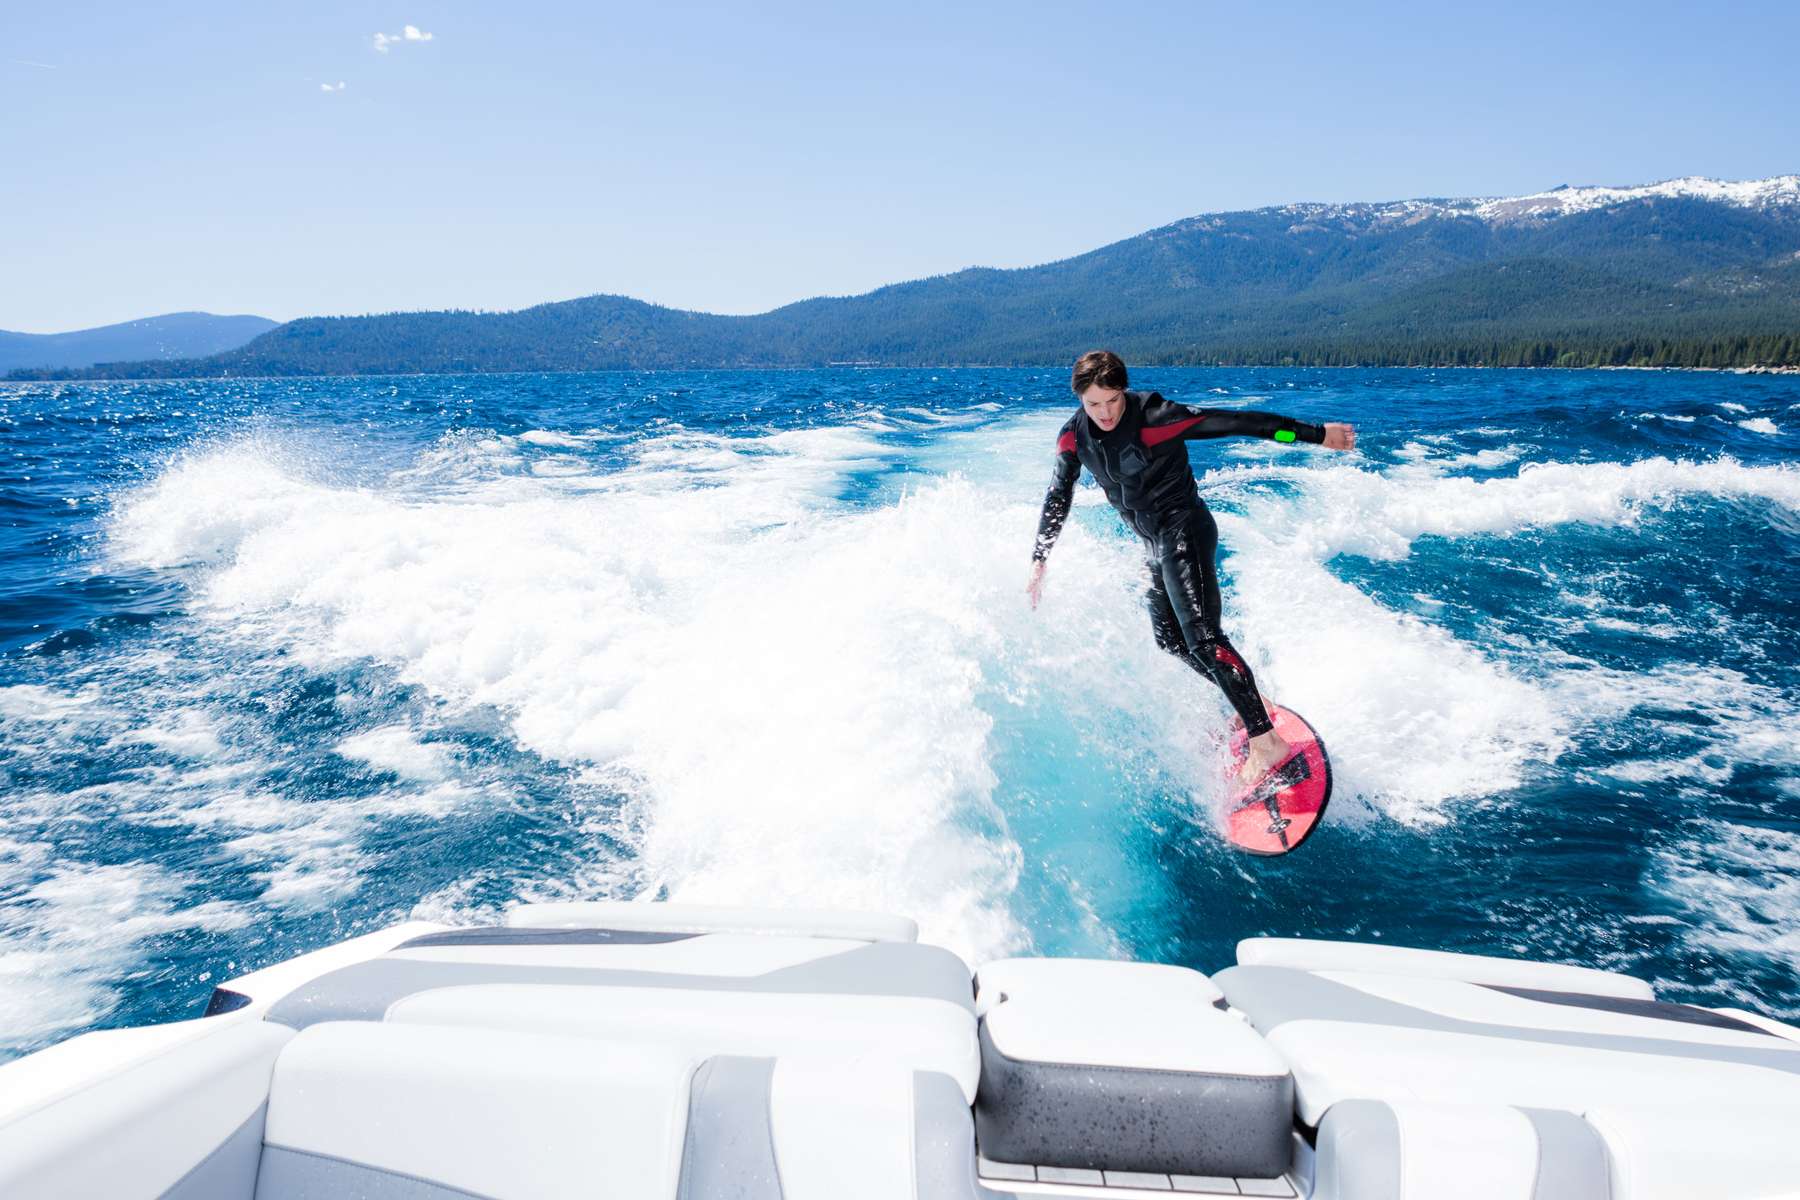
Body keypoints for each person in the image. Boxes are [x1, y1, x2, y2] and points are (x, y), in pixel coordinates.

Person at [1027, 350, 1356, 786]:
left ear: (1123, 391)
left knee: (1203, 638)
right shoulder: (1073, 438)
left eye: (1112, 400)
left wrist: (1317, 435)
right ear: (1080, 400)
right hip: (1152, 546)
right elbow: (1058, 494)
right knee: (1170, 640)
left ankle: (1267, 743)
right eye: (1094, 404)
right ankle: (1255, 701)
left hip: (1184, 529)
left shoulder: (1155, 417)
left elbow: (1242, 423)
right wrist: (1039, 557)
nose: (1105, 413)